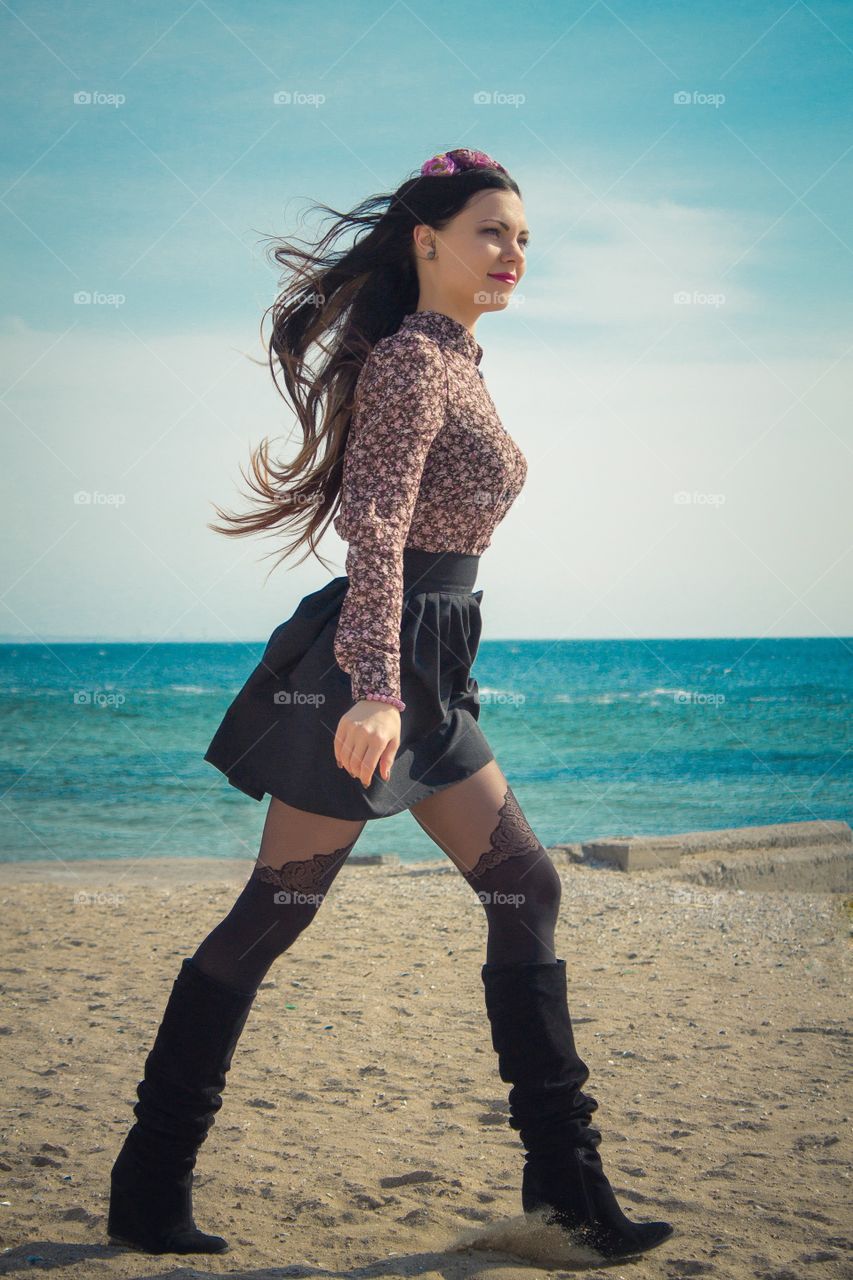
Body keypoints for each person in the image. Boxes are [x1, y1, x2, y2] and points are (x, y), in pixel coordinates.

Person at [106, 147, 674, 1262]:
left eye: (523, 239)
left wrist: (428, 675)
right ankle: (148, 1181)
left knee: (524, 884)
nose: (513, 255)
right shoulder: (414, 363)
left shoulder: (459, 358)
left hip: (432, 661)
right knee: (273, 913)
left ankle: (565, 1191)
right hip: (375, 659)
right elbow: (374, 530)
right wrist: (373, 689)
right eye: (490, 233)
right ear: (427, 238)